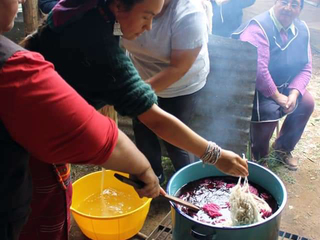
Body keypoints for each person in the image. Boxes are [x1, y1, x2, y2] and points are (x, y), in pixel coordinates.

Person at [20, 0, 249, 239]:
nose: (149, 27)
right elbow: (156, 121)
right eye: (146, 16)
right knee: (43, 214)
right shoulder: (101, 46)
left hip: (27, 111)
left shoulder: (87, 8)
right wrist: (215, 155)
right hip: (35, 134)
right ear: (119, 5)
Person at [0, 0, 162, 239]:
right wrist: (144, 168)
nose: (19, 1)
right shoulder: (13, 68)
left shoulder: (75, 14)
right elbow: (106, 140)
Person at [122, 0, 210, 184]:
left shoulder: (189, 13)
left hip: (181, 83)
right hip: (141, 73)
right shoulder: (122, 5)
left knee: (175, 138)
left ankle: (188, 186)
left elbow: (178, 68)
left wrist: (135, 95)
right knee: (142, 128)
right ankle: (152, 177)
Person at [232, 0, 314, 170]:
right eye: (284, 2)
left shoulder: (302, 29)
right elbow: (258, 71)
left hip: (285, 85)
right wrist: (278, 97)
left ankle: (283, 149)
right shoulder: (258, 28)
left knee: (306, 103)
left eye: (294, 5)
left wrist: (293, 94)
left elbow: (306, 66)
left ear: (300, 10)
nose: (288, 8)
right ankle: (260, 160)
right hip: (254, 88)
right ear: (276, 2)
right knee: (268, 113)